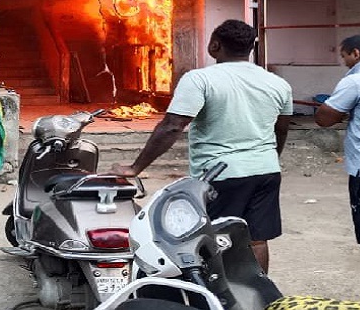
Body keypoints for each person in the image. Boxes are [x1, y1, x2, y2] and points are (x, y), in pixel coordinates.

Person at [111, 19, 293, 272]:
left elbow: (173, 125)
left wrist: (135, 168)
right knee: (256, 238)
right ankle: (258, 291)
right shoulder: (278, 83)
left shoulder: (199, 79)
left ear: (214, 46)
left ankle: (220, 297)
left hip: (221, 173)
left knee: (216, 235)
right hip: (266, 171)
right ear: (250, 48)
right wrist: (270, 159)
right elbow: (281, 128)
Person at [314, 33, 360, 260]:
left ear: (356, 53)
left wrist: (341, 110)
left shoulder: (358, 81)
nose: (344, 63)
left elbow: (324, 119)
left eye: (344, 57)